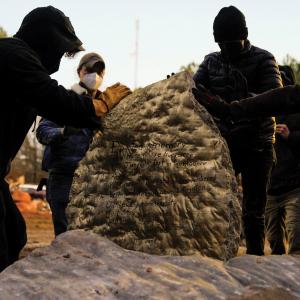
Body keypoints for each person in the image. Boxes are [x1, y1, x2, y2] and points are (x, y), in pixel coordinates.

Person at [0, 6, 131, 271]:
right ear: (46, 41)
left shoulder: (21, 64)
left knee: (13, 232)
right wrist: (99, 106)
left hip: (84, 175)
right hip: (62, 173)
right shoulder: (14, 55)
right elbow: (55, 106)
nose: (60, 59)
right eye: (60, 51)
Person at [193, 5, 282, 255]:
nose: (227, 48)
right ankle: (219, 258)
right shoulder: (212, 61)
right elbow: (194, 88)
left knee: (254, 211)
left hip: (258, 144)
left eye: (232, 43)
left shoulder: (264, 59)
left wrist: (232, 108)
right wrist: (179, 87)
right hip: (225, 144)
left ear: (244, 35)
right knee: (216, 204)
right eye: (222, 43)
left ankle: (255, 258)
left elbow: (273, 98)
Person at [36, 53, 106, 236]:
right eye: (90, 70)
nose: (95, 75)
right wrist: (62, 132)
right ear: (79, 72)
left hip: (97, 182)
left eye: (99, 71)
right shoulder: (62, 100)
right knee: (66, 235)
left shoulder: (108, 105)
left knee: (94, 239)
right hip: (64, 179)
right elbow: (43, 131)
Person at [261, 66, 300, 254]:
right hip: (270, 190)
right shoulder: (264, 112)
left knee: (296, 240)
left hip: (295, 189)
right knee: (274, 242)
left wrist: (290, 135)